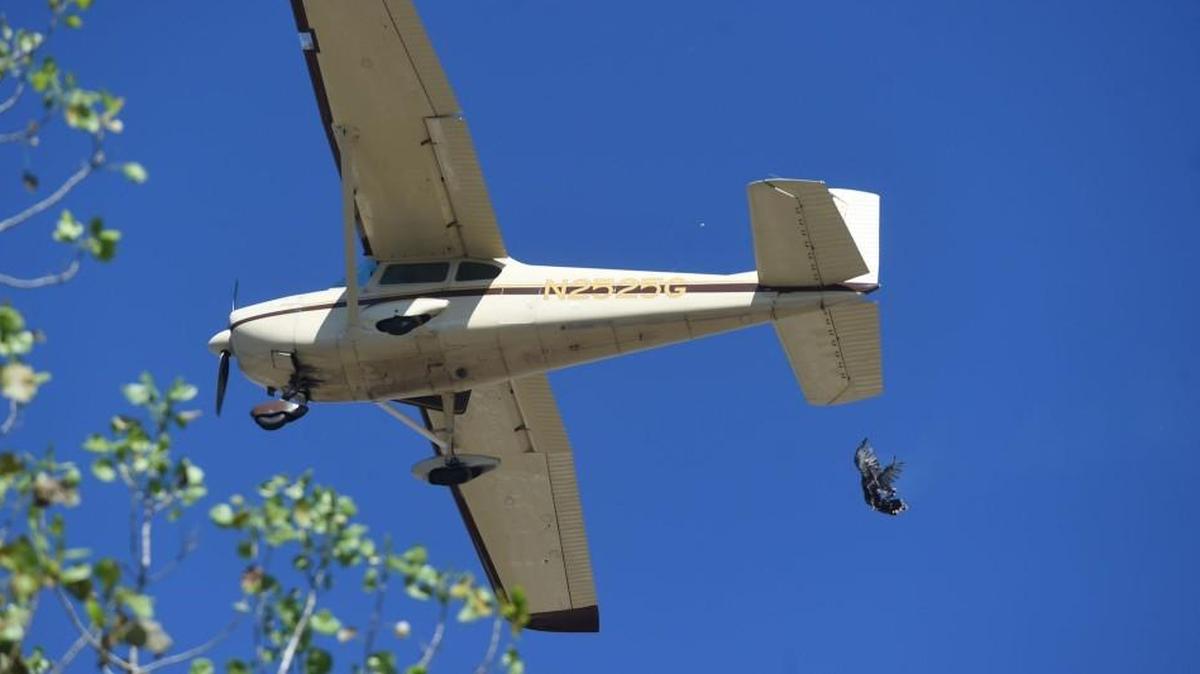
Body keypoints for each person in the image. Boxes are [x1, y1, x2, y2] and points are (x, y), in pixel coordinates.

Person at [853, 438, 908, 516]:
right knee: (881, 503)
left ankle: (897, 506)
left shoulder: (873, 478)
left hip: (876, 497)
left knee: (882, 501)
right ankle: (895, 507)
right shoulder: (869, 479)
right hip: (874, 499)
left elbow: (882, 481)